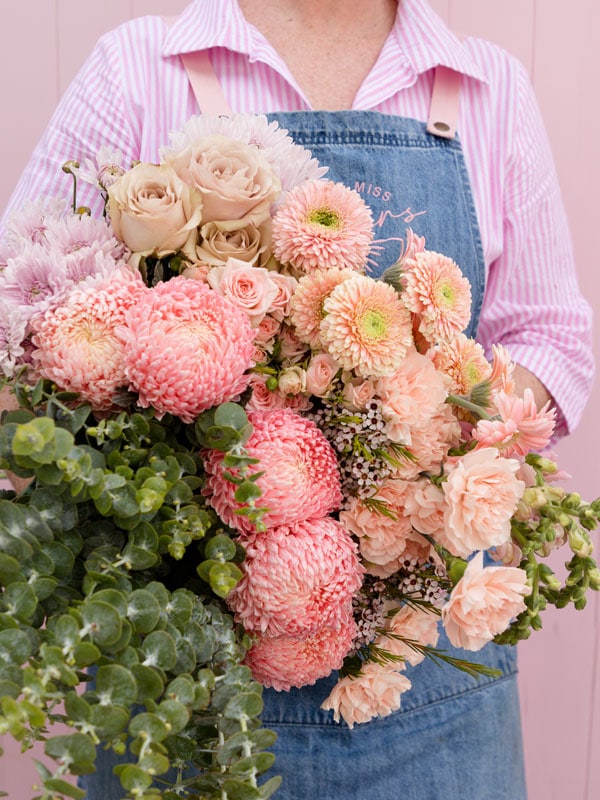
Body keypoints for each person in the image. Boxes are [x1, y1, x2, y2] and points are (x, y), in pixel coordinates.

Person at [1, 1, 594, 798]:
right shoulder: (139, 68)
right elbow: (22, 318)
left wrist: (422, 435)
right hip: (182, 698)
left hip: (434, 688)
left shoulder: (485, 86)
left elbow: (554, 338)